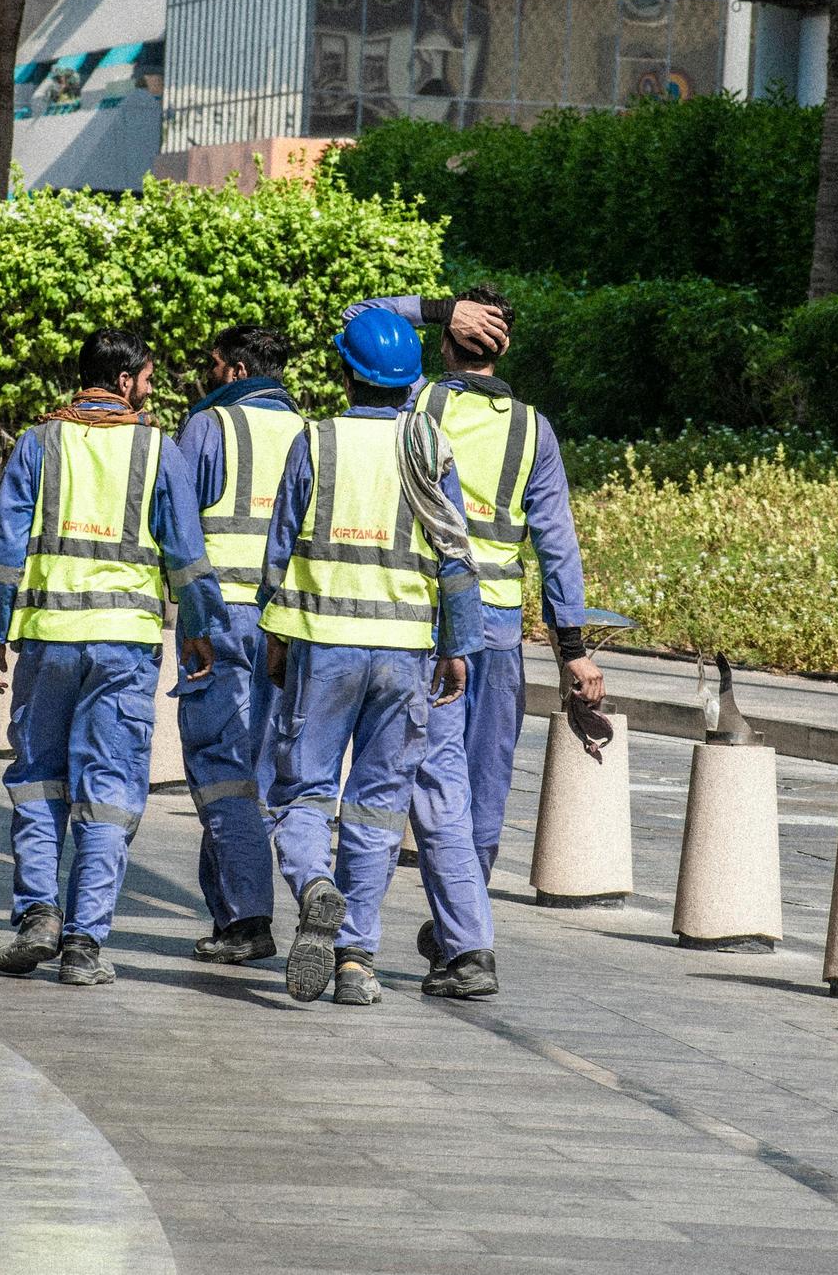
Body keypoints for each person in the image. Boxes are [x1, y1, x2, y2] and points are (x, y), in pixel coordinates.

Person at [343, 287, 604, 999]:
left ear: (447, 341)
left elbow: (355, 320)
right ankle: (462, 923)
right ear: (506, 349)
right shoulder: (535, 430)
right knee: (485, 783)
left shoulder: (417, 406)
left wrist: (432, 307)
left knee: (438, 778)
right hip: (499, 630)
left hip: (434, 624)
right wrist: (575, 647)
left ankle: (465, 938)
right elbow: (558, 546)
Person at [0, 327, 227, 987]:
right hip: (122, 649)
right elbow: (186, 551)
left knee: (37, 781)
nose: (149, 390)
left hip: (48, 640)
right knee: (107, 793)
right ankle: (84, 943)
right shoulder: (157, 448)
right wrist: (199, 628)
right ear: (123, 380)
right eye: (146, 379)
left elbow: (5, 544)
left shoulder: (38, 442)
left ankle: (36, 920)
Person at [258, 309, 485, 1007]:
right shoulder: (429, 444)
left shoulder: (316, 441)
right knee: (380, 807)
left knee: (302, 790)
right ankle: (355, 960)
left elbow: (279, 548)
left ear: (345, 370)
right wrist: (458, 647)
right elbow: (454, 555)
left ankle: (313, 886)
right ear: (409, 378)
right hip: (405, 655)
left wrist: (273, 632)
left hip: (321, 646)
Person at [174, 325, 303, 965]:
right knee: (253, 767)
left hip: (219, 615)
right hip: (285, 625)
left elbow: (175, 521)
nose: (208, 373)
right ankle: (231, 914)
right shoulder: (308, 431)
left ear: (237, 368)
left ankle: (248, 919)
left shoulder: (210, 426)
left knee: (220, 768)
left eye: (213, 363)